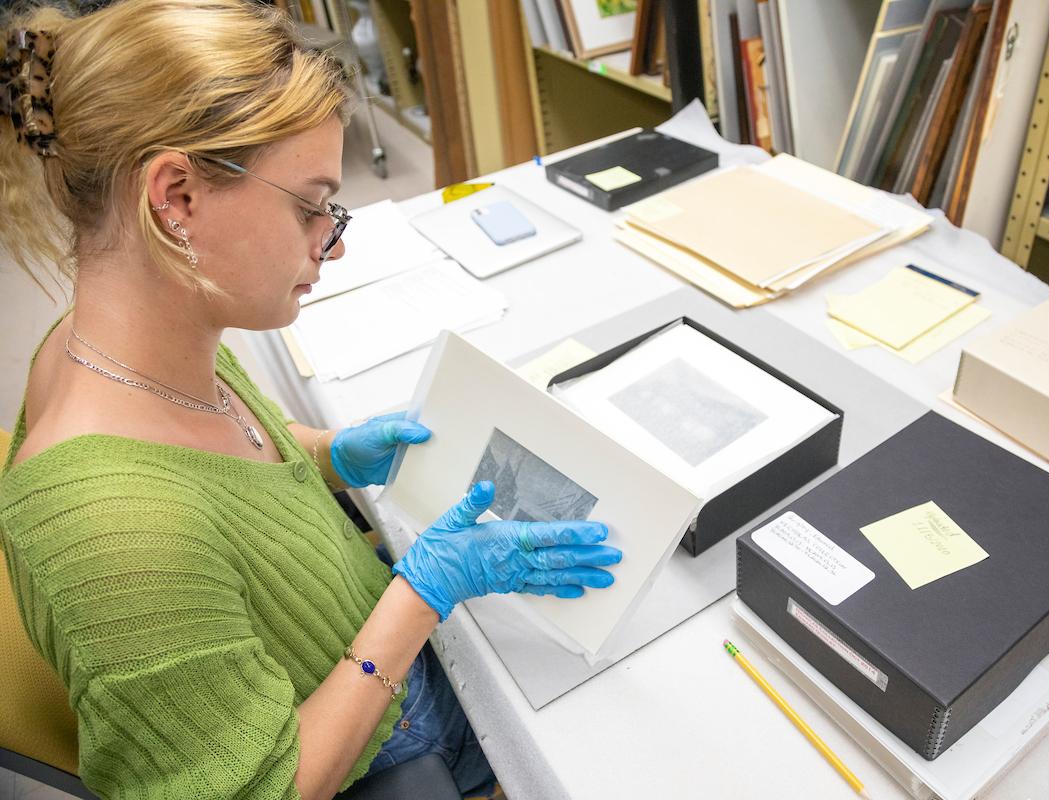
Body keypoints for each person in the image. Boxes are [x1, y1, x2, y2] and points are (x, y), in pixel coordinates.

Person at [0, 2, 622, 798]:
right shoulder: (112, 530)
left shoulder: (114, 339)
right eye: (310, 208)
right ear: (176, 197)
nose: (333, 239)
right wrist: (420, 595)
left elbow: (205, 451)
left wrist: (324, 452)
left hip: (355, 640)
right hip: (377, 734)